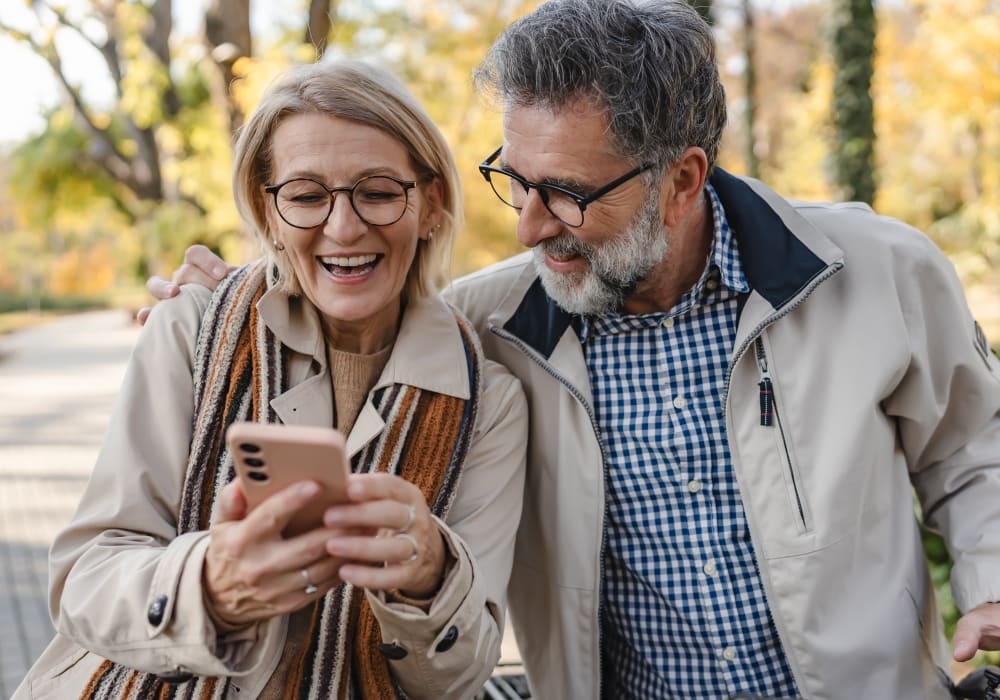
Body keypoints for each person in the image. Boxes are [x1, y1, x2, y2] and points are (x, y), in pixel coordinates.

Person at [144, 1, 1000, 698]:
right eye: (514, 179)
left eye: (566, 193)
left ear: (683, 180)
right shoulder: (484, 329)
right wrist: (227, 307)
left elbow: (974, 453)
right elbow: (336, 319)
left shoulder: (878, 271)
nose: (527, 224)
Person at [14, 59, 527, 700]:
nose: (344, 228)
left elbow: (458, 677)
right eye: (307, 196)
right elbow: (84, 580)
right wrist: (211, 585)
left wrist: (429, 576)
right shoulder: (190, 329)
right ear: (270, 209)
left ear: (430, 204)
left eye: (377, 191)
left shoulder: (491, 403)